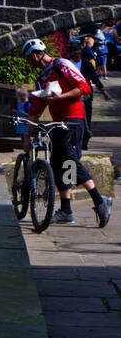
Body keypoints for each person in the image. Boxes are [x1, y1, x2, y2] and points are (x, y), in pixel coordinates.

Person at [21, 38, 111, 226]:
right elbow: (35, 111)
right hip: (58, 124)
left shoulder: (61, 65)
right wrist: (26, 137)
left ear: (36, 55)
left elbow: (84, 88)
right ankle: (67, 210)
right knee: (59, 165)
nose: (28, 63)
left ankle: (99, 201)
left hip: (73, 120)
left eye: (29, 59)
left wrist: (61, 97)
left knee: (70, 161)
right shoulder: (41, 79)